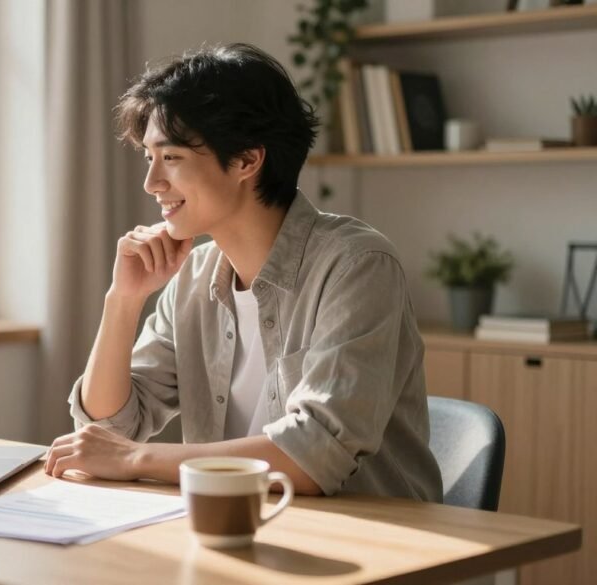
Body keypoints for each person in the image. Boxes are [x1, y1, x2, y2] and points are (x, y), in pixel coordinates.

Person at [43, 43, 442, 501]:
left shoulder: (357, 266)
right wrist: (123, 300)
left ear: (247, 161)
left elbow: (315, 457)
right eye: (148, 158)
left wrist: (134, 459)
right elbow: (107, 428)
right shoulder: (193, 277)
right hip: (234, 527)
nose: (151, 183)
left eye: (170, 158)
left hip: (372, 545)